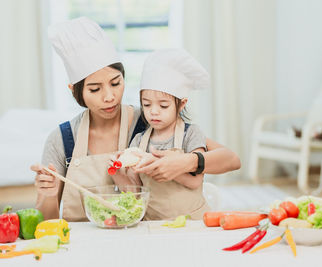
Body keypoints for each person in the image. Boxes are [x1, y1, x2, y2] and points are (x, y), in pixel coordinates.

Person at [31, 17, 241, 222]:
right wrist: (48, 193)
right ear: (75, 91)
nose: (109, 96)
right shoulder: (62, 139)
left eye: (116, 83)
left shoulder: (152, 119)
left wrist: (187, 162)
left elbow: (231, 160)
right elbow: (46, 221)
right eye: (95, 89)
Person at [111, 49, 236, 220]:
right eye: (146, 105)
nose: (153, 112)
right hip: (153, 224)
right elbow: (136, 193)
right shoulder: (139, 141)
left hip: (191, 222)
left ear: (182, 104)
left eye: (163, 106)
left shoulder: (191, 134)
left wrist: (167, 168)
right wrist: (119, 176)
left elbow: (195, 181)